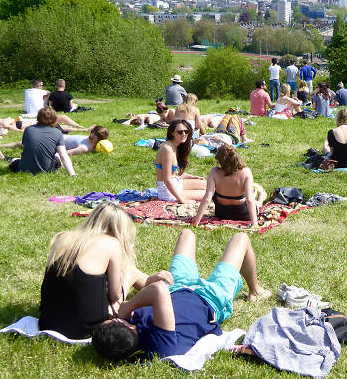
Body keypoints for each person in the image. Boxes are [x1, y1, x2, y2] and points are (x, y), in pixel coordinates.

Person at [91, 229, 271, 360]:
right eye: (115, 320)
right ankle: (255, 291)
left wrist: (152, 279)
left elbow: (157, 288)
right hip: (212, 298)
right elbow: (158, 291)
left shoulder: (129, 332)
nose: (116, 317)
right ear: (128, 327)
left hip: (177, 286)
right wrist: (127, 307)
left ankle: (254, 288)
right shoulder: (162, 345)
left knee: (187, 234)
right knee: (241, 239)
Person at [39, 203, 170, 339]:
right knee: (131, 272)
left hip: (48, 322)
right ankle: (157, 288)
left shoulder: (62, 237)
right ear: (119, 230)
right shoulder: (112, 244)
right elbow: (115, 294)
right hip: (87, 327)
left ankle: (152, 285)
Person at [192, 145, 265, 225]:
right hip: (243, 214)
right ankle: (261, 199)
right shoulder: (246, 172)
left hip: (222, 214)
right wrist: (255, 224)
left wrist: (196, 221)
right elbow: (249, 200)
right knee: (255, 198)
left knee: (251, 194)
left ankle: (257, 196)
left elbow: (207, 198)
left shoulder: (214, 172)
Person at [8, 107, 76, 176]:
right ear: (55, 119)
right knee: (57, 156)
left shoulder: (28, 129)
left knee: (14, 160)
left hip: (23, 168)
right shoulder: (57, 132)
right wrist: (72, 174)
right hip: (46, 170)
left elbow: (26, 148)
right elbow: (63, 155)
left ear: (38, 117)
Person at [155, 120, 206, 203]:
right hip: (167, 192)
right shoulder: (167, 149)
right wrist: (181, 199)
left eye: (186, 131)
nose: (184, 134)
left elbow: (174, 174)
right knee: (209, 194)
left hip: (176, 183)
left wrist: (192, 177)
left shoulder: (176, 146)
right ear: (172, 132)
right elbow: (167, 179)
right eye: (180, 132)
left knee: (208, 185)